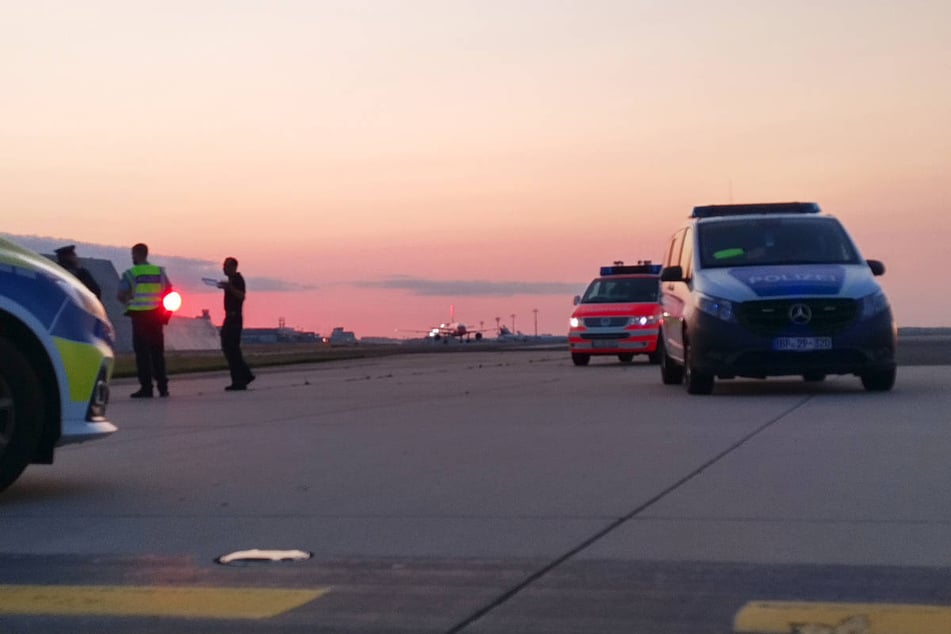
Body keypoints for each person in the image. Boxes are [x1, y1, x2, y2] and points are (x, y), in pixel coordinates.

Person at [117, 243, 172, 398]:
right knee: (157, 353)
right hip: (156, 316)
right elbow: (169, 291)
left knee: (142, 354)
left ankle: (146, 388)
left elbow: (120, 295)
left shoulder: (131, 273)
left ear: (136, 254)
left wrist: (129, 302)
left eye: (132, 255)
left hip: (140, 316)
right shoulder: (158, 272)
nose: (132, 258)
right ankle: (163, 387)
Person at [218, 257, 254, 391]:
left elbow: (242, 296)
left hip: (234, 318)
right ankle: (244, 375)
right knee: (229, 348)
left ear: (233, 267)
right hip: (229, 317)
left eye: (226, 266)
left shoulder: (238, 280)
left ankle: (240, 379)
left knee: (232, 349)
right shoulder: (231, 281)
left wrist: (230, 288)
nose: (223, 268)